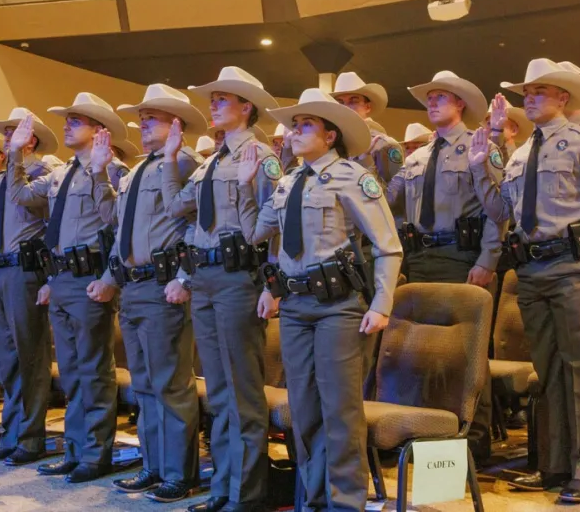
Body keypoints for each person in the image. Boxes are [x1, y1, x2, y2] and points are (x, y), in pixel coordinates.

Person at [471, 58, 580, 504]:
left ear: (563, 97)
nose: (531, 98)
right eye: (527, 92)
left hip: (573, 269)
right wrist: (484, 167)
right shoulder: (521, 154)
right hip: (533, 272)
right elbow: (503, 214)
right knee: (549, 372)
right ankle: (556, 463)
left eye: (540, 91)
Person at [242, 88, 401, 511]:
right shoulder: (288, 180)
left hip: (338, 307)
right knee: (305, 411)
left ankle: (345, 503)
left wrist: (381, 304)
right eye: (293, 125)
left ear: (330, 136)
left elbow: (388, 245)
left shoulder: (352, 176)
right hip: (294, 307)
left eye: (305, 125)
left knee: (340, 411)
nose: (294, 132)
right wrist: (270, 289)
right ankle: (313, 500)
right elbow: (263, 239)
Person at [166, 66, 282, 512]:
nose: (211, 105)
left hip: (239, 279)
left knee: (242, 392)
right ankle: (223, 489)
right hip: (206, 278)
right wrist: (172, 157)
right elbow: (181, 210)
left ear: (246, 107)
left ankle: (246, 495)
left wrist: (272, 286)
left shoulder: (261, 156)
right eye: (211, 99)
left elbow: (275, 226)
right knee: (218, 392)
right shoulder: (212, 162)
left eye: (221, 99)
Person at [3, 94, 129, 483]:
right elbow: (22, 197)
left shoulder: (114, 169)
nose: (67, 126)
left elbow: (116, 227)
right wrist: (14, 157)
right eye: (68, 120)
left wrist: (109, 279)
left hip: (90, 277)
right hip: (60, 278)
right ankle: (75, 449)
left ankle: (96, 452)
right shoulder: (59, 174)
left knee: (94, 370)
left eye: (76, 121)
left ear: (98, 131)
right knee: (72, 372)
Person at [92, 84, 208, 503]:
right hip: (134, 285)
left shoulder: (186, 162)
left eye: (151, 119)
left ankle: (180, 473)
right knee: (143, 384)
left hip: (164, 285)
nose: (142, 126)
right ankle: (154, 466)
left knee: (170, 384)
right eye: (141, 120)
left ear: (176, 124)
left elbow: (198, 225)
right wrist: (102, 173)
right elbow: (116, 227)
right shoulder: (138, 169)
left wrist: (184, 275)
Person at [390, 70, 500, 458]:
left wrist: (488, 258)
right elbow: (388, 202)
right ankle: (425, 431)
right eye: (430, 97)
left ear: (460, 104)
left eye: (441, 97)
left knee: (467, 352)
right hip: (421, 257)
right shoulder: (417, 156)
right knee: (423, 349)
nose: (432, 103)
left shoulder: (479, 146)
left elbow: (497, 211)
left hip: (462, 257)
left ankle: (474, 439)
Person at [0, 108, 57, 465]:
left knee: (30, 357)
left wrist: (52, 278)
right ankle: (12, 433)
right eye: (7, 135)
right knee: (6, 360)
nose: (6, 141)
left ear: (30, 139)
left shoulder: (44, 174)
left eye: (13, 134)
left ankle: (32, 437)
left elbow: (54, 229)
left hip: (25, 272)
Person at [330, 71, 404, 186]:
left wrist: (366, 162)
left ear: (367, 107)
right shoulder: (330, 143)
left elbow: (394, 197)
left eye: (353, 101)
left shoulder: (384, 145)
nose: (346, 107)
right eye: (340, 102)